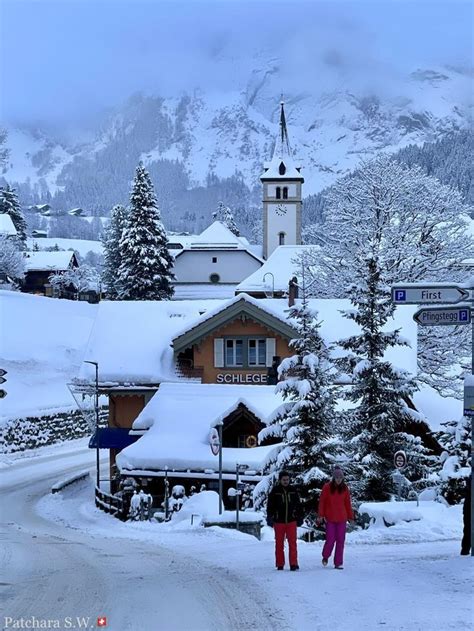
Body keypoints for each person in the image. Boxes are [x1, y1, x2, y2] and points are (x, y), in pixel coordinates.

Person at [318, 466, 354, 570]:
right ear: (333, 478)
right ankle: (325, 556)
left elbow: (347, 503)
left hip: (342, 518)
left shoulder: (345, 488)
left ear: (342, 478)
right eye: (337, 478)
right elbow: (322, 502)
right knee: (330, 540)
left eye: (340, 478)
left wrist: (350, 517)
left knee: (340, 541)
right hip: (330, 518)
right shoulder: (327, 487)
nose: (338, 480)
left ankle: (338, 562)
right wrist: (321, 515)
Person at [267, 470, 303, 571]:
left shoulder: (293, 490)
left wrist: (300, 517)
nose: (286, 481)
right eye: (284, 480)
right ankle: (280, 563)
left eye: (287, 479)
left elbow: (298, 505)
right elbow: (270, 506)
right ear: (280, 480)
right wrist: (270, 517)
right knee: (279, 544)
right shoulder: (275, 491)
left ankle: (293, 563)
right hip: (279, 522)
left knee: (293, 543)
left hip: (291, 521)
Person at [461, 478, 471, 556]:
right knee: (468, 529)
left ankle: (465, 549)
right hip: (469, 509)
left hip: (468, 509)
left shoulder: (470, 479)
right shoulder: (470, 480)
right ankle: (465, 549)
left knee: (467, 529)